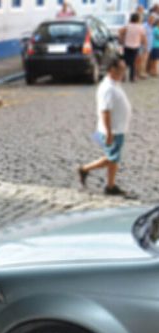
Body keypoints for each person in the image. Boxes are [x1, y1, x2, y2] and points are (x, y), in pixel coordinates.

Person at [77, 58, 132, 197]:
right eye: (121, 68)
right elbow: (105, 111)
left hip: (117, 129)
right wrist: (109, 132)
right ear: (112, 69)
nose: (124, 71)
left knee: (113, 158)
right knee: (112, 158)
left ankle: (110, 185)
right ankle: (85, 169)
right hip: (111, 130)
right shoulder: (107, 88)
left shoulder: (114, 84)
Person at [119, 12, 148, 82]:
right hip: (135, 46)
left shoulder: (127, 26)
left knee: (125, 61)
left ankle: (123, 76)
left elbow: (120, 31)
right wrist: (145, 45)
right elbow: (144, 38)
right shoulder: (141, 27)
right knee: (134, 62)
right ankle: (132, 77)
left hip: (127, 46)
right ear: (138, 19)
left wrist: (122, 39)